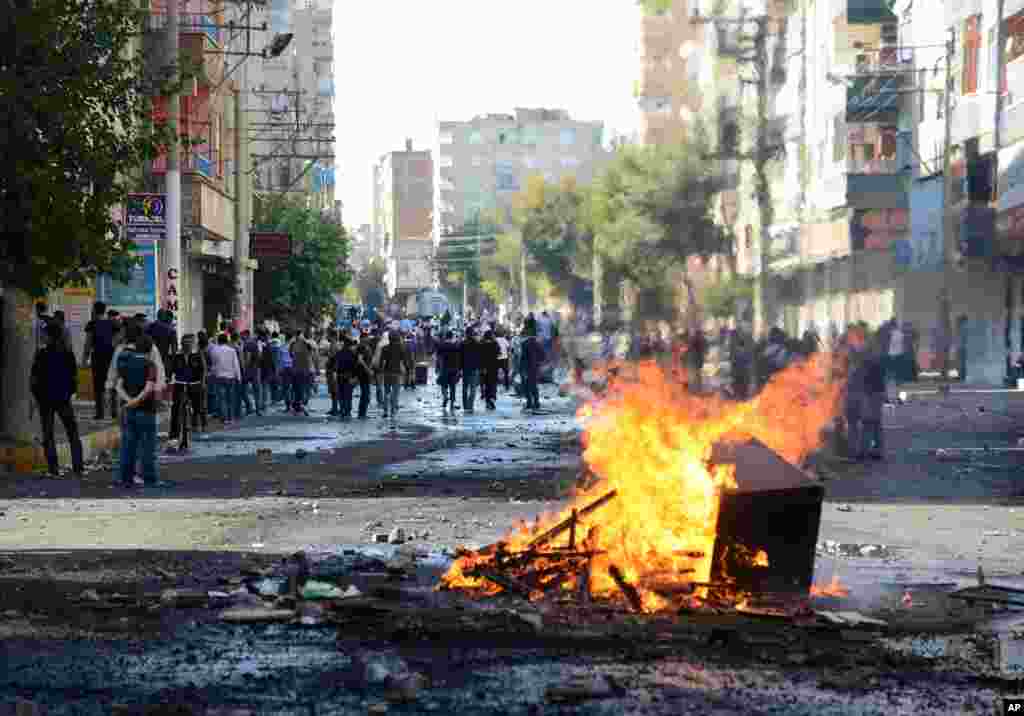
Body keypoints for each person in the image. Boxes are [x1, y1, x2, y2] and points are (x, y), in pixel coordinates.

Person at [31, 321, 84, 477]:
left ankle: (53, 468)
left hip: (45, 400)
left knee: (48, 434)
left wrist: (37, 397)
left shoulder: (41, 354)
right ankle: (78, 467)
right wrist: (69, 393)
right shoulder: (67, 353)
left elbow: (34, 379)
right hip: (63, 399)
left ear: (48, 336)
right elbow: (74, 377)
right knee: (72, 432)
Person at [116, 333, 164, 488]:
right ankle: (150, 478)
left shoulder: (126, 362)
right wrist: (135, 402)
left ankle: (125, 478)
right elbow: (148, 389)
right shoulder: (151, 366)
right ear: (150, 350)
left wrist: (129, 401)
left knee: (128, 445)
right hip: (146, 410)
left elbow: (118, 386)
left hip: (129, 410)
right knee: (148, 447)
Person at [168, 333, 207, 442]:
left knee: (198, 406)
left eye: (190, 343)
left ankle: (198, 424)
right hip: (180, 384)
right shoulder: (176, 355)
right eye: (185, 343)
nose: (188, 345)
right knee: (175, 408)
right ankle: (174, 433)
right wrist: (168, 378)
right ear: (182, 344)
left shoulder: (198, 355)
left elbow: (203, 370)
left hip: (195, 384)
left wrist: (202, 383)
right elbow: (171, 370)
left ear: (193, 344)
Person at [83, 301, 116, 420]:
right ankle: (114, 411)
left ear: (94, 310)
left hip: (97, 357)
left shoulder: (92, 324)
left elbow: (88, 343)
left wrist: (84, 359)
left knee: (98, 386)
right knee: (112, 384)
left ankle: (100, 413)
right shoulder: (112, 323)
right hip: (111, 357)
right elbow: (120, 336)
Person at [373, 324, 413, 418]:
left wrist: (380, 371)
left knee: (386, 391)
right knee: (395, 393)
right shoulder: (401, 348)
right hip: (397, 373)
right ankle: (393, 411)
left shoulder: (385, 348)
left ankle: (385, 411)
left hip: (387, 372)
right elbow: (404, 361)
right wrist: (408, 370)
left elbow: (382, 361)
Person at [208, 333, 242, 424]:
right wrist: (239, 377)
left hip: (219, 376)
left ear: (218, 341)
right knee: (230, 398)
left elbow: (213, 365)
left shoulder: (214, 350)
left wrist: (213, 374)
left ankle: (225, 418)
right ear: (227, 341)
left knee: (221, 399)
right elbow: (236, 364)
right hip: (230, 377)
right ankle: (231, 418)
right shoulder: (232, 350)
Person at [331, 335, 359, 419]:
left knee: (342, 395)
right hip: (349, 377)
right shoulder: (353, 354)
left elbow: (334, 366)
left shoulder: (339, 353)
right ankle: (347, 412)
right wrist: (355, 377)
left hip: (340, 377)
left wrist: (334, 376)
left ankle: (343, 410)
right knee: (348, 395)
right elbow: (355, 367)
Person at [519, 321, 543, 411]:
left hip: (526, 368)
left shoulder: (524, 344)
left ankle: (529, 402)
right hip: (535, 368)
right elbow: (543, 356)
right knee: (534, 385)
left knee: (526, 385)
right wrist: (538, 363)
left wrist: (520, 368)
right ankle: (536, 402)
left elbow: (523, 357)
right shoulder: (538, 344)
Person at [436, 331, 461, 412]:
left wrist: (438, 368)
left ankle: (445, 396)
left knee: (443, 384)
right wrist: (459, 369)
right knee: (453, 386)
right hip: (454, 369)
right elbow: (458, 358)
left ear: (445, 337)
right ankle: (452, 402)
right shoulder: (456, 346)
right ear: (452, 337)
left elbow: (438, 358)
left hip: (444, 368)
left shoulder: (441, 345)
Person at [460, 327, 482, 413]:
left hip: (465, 368)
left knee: (465, 387)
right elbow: (480, 357)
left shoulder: (462, 343)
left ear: (466, 334)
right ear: (472, 334)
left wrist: (460, 368)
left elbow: (460, 357)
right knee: (473, 388)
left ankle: (465, 405)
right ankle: (470, 405)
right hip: (474, 368)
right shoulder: (477, 343)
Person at [480, 330, 500, 411]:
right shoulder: (495, 344)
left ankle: (488, 400)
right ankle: (492, 397)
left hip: (485, 367)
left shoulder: (482, 345)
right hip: (494, 367)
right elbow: (499, 353)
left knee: (487, 384)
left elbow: (480, 356)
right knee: (493, 383)